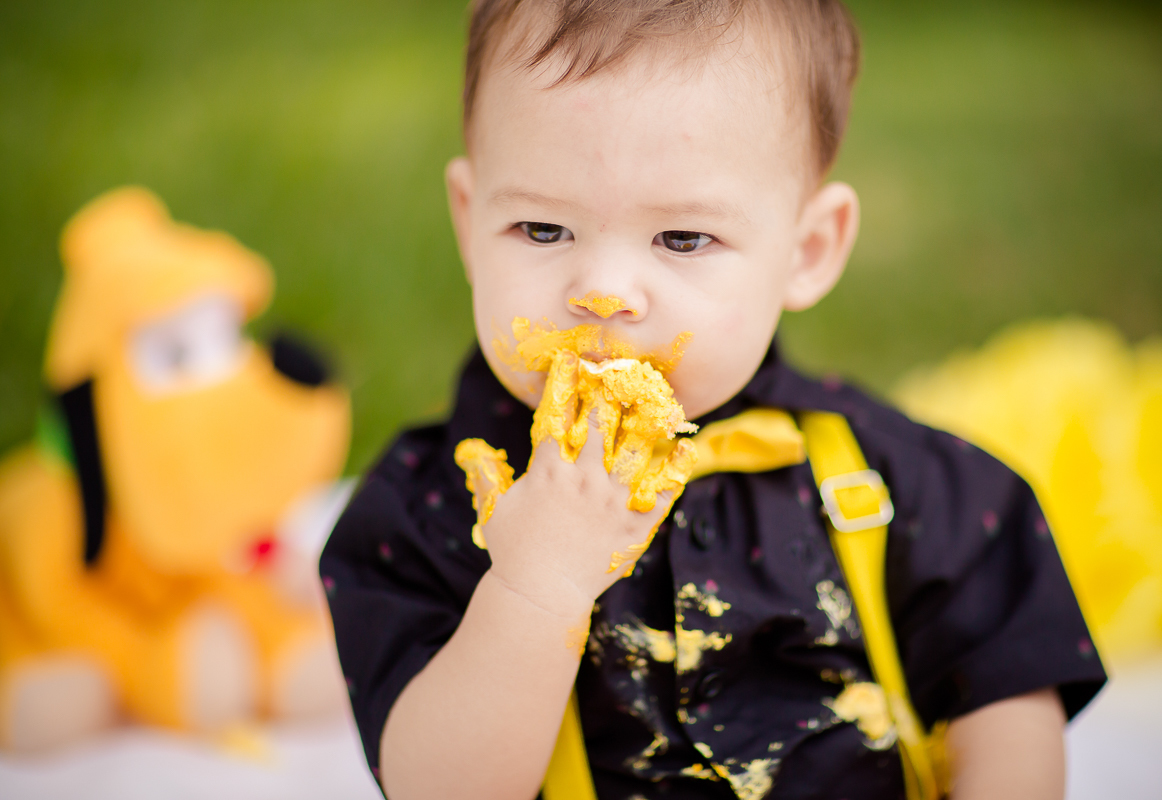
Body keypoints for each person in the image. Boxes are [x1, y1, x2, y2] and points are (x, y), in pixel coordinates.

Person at [319, 1, 1106, 798]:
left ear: (807, 251)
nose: (602, 293)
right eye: (542, 229)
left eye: (683, 239)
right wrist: (534, 588)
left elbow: (1006, 693)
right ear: (467, 221)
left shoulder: (898, 483)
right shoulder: (424, 513)